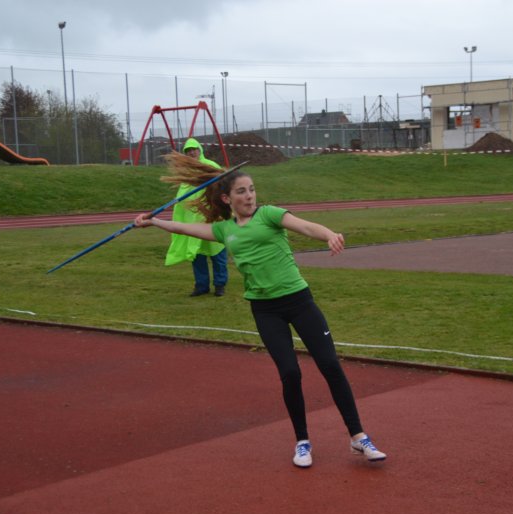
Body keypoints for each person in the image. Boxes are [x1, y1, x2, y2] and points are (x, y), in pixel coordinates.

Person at [135, 153, 387, 468]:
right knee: (290, 373)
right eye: (241, 191)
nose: (249, 196)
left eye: (252, 189)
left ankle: (358, 437)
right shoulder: (224, 229)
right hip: (266, 310)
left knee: (330, 365)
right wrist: (153, 221)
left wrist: (329, 235)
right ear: (227, 198)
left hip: (299, 301)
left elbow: (305, 227)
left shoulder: (269, 214)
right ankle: (302, 442)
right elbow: (185, 229)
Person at [165, 138, 228, 297]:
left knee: (217, 251)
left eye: (194, 149)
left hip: (210, 218)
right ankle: (201, 286)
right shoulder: (186, 171)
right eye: (188, 150)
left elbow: (222, 186)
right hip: (192, 220)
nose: (192, 152)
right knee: (196, 253)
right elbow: (183, 195)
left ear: (200, 149)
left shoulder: (210, 166)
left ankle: (220, 285)